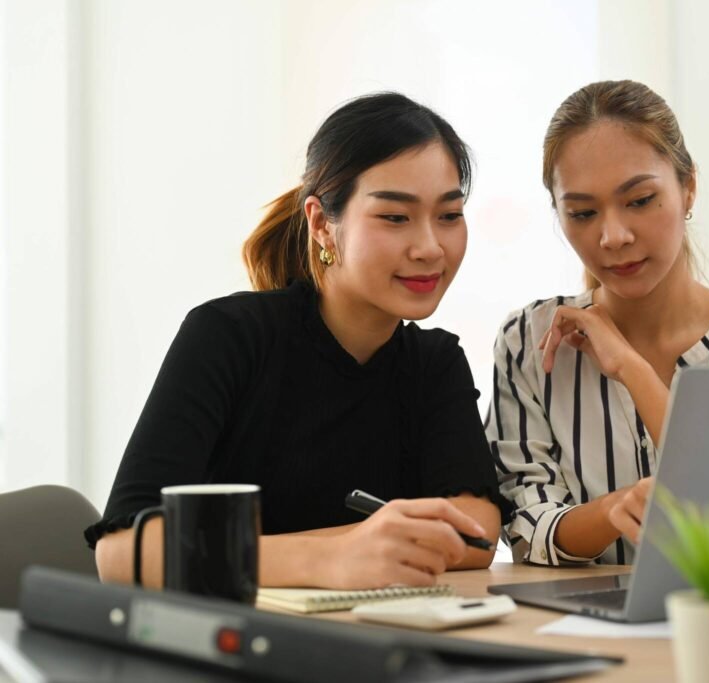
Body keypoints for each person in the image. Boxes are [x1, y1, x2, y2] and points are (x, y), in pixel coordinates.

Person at [88, 93, 507, 589]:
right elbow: (122, 552)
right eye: (395, 217)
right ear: (322, 224)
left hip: (375, 631)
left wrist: (352, 549)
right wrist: (331, 558)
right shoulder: (228, 335)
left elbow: (475, 534)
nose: (431, 247)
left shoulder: (434, 362)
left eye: (449, 215)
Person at [487, 80, 709, 566]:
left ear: (689, 188)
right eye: (582, 212)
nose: (613, 236)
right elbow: (524, 529)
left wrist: (633, 370)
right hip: (579, 616)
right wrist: (612, 511)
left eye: (640, 200)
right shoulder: (529, 342)